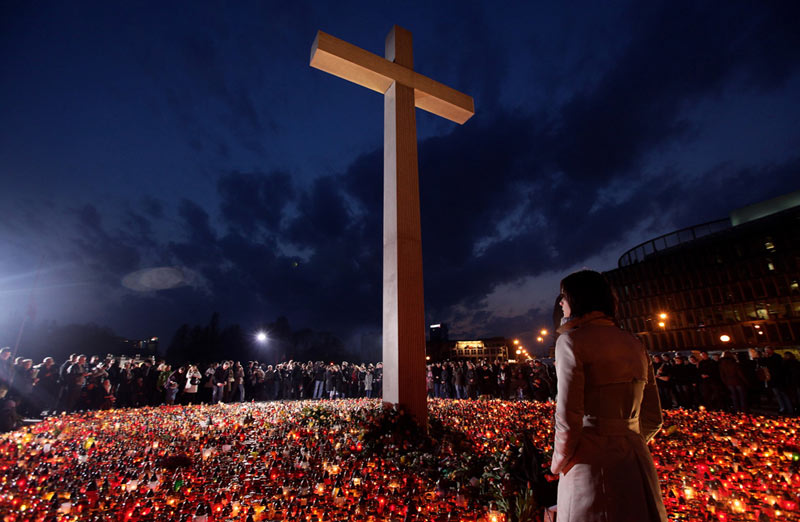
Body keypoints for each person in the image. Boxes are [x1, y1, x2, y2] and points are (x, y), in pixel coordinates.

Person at [550, 270, 666, 522]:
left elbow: (568, 416)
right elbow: (653, 416)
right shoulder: (634, 342)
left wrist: (558, 462)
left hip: (590, 460)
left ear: (579, 299)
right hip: (635, 458)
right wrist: (626, 437)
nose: (560, 303)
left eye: (563, 296)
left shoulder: (571, 341)